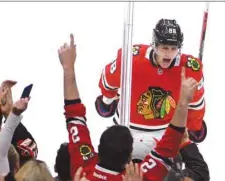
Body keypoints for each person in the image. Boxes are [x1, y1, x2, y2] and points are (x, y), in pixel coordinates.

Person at [58, 33, 198, 180]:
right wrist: (183, 101)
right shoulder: (141, 175)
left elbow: (74, 116)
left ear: (99, 150)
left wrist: (68, 69)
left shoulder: (83, 167)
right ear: (130, 157)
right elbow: (169, 145)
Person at [95, 18, 206, 161]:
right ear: (154, 45)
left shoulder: (190, 69)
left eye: (173, 49)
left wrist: (193, 126)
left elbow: (196, 104)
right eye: (164, 48)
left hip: (165, 133)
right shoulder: (131, 58)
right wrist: (107, 99)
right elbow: (108, 80)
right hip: (125, 130)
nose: (168, 54)